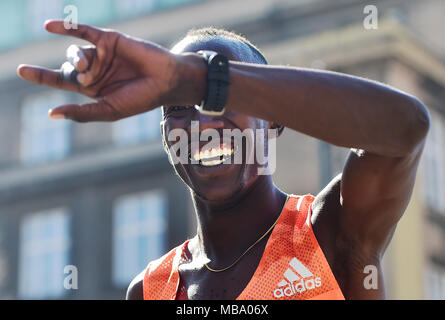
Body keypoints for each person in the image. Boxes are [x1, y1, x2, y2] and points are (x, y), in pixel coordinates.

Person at [17, 20, 430, 300]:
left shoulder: (330, 231)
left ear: (274, 120)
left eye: (222, 102)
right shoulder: (151, 289)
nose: (201, 124)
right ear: (164, 137)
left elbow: (406, 129)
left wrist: (197, 79)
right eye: (178, 107)